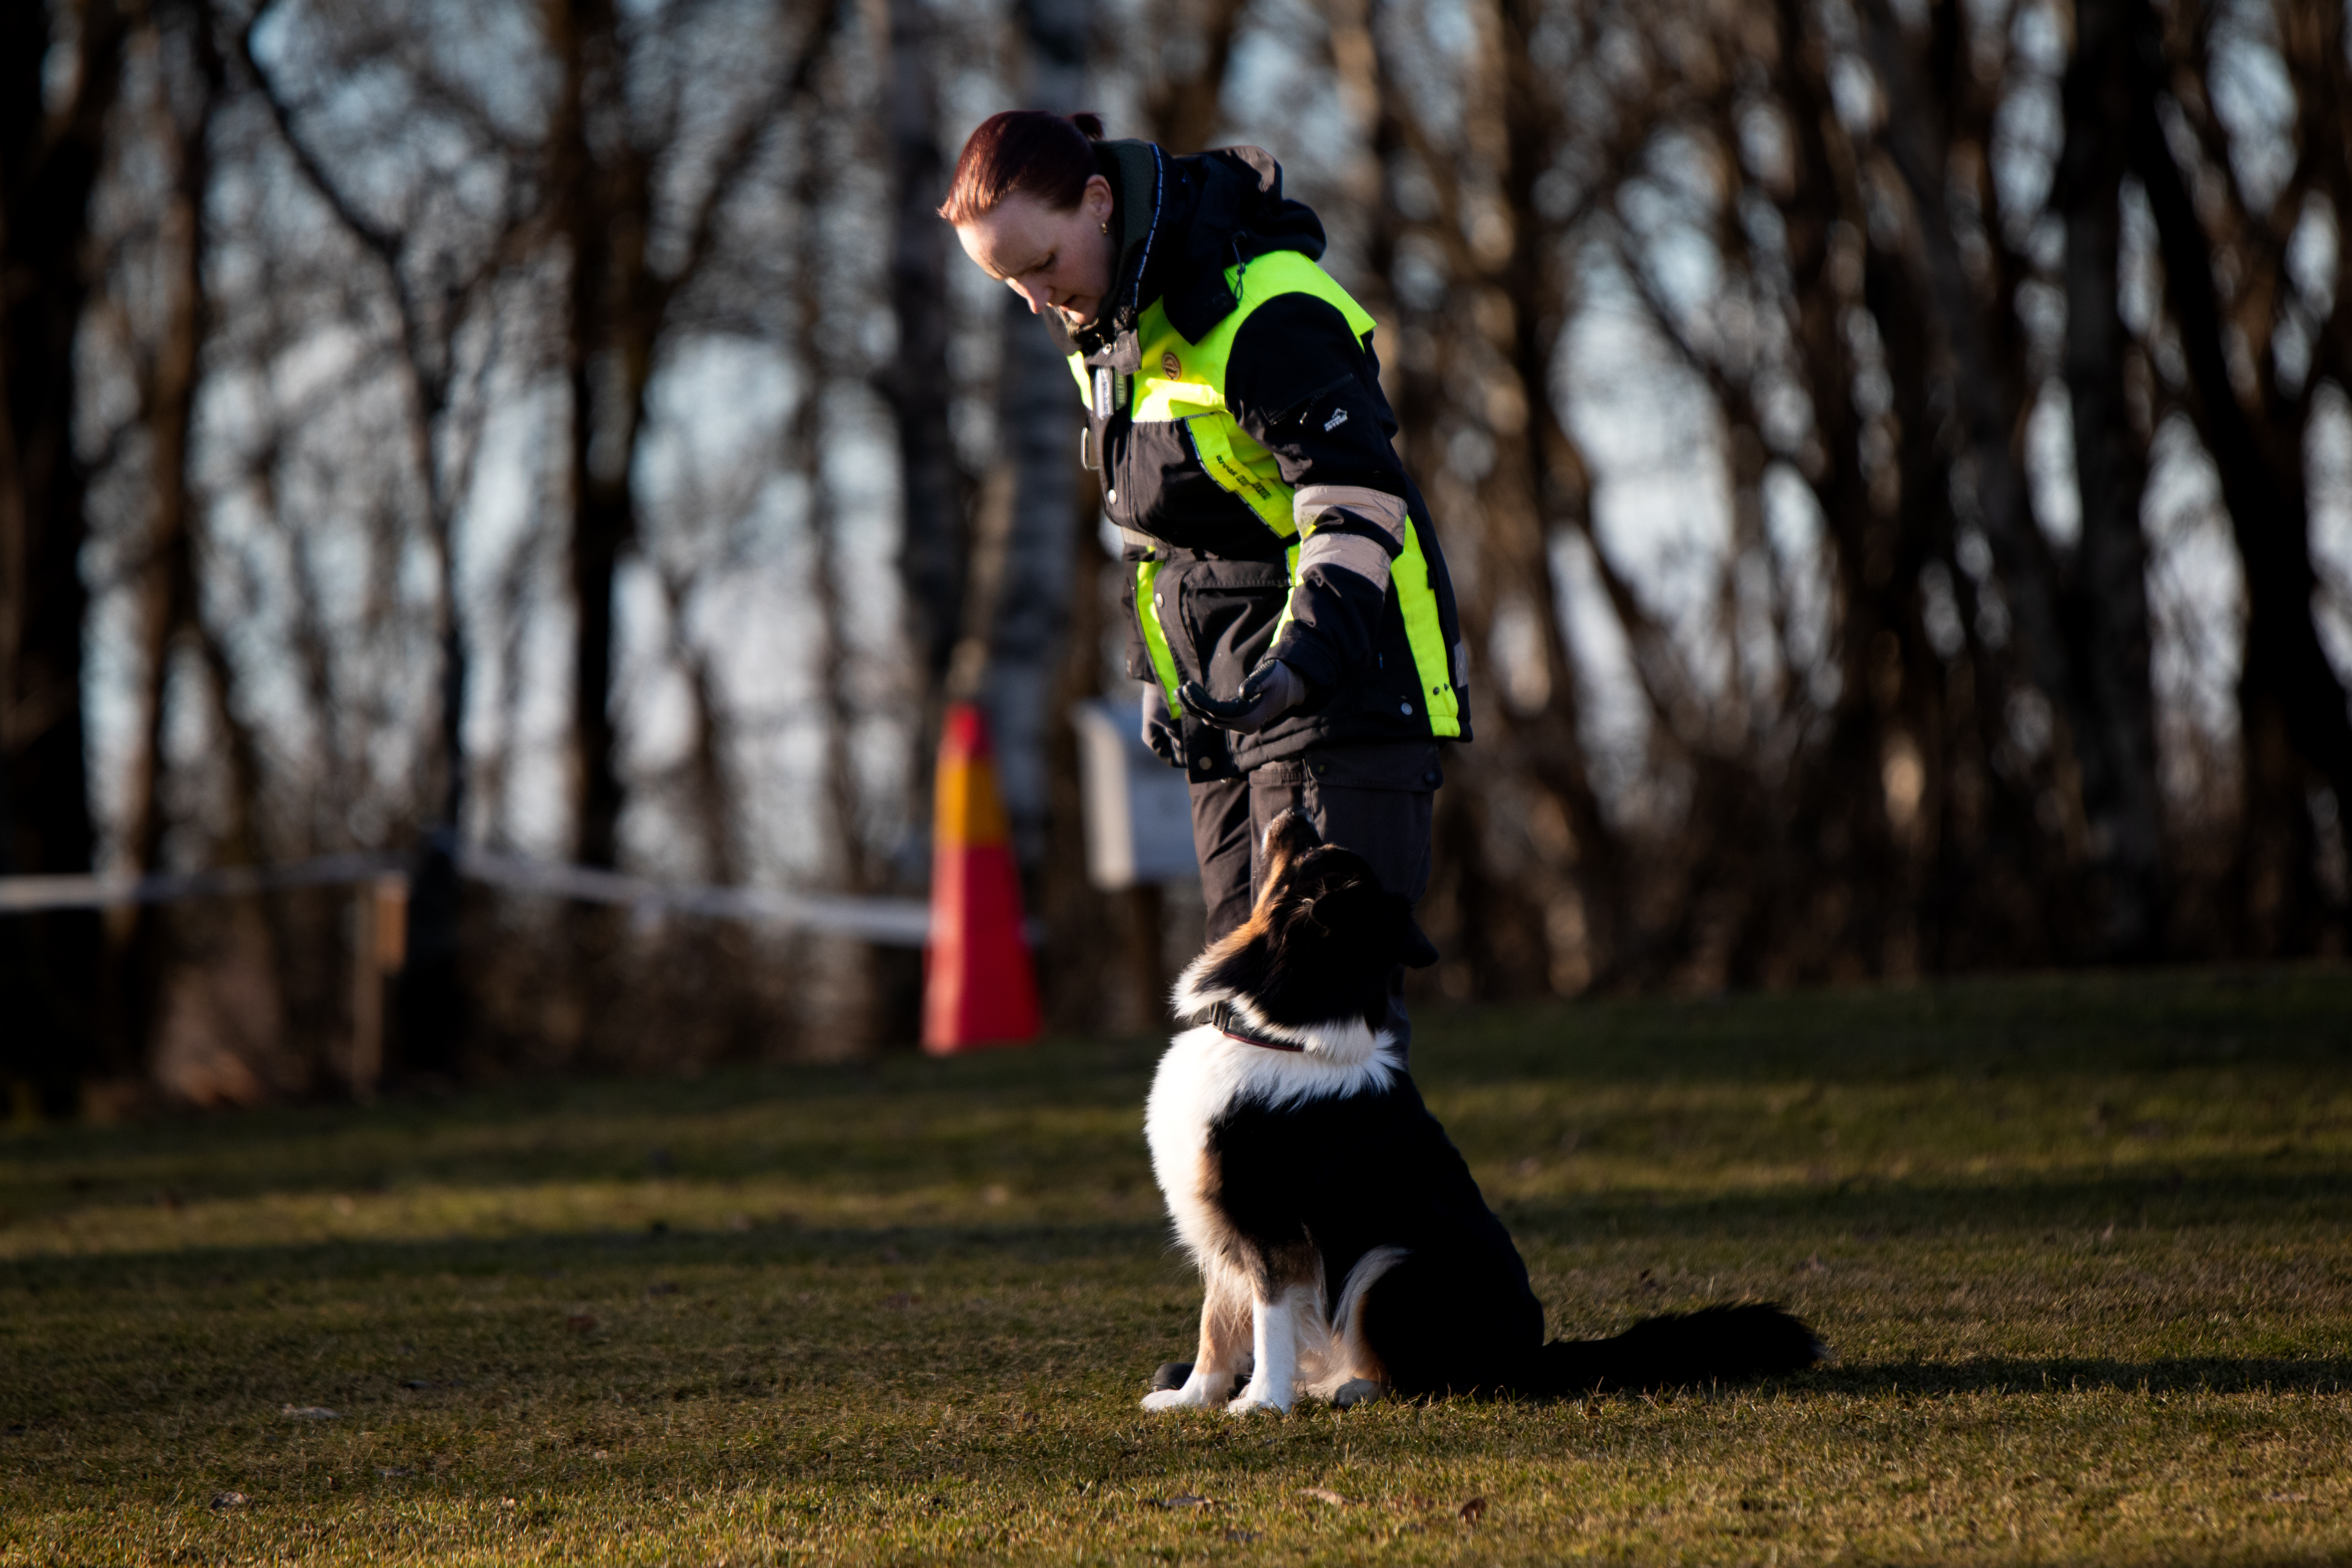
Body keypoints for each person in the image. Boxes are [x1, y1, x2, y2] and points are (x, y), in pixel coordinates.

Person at [941, 111, 1470, 1054]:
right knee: (1237, 1031)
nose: (1033, 299)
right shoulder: (1102, 328)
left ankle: (1378, 1210)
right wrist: (1157, 670)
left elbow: (1355, 499)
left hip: (1344, 690)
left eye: (1039, 263)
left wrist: (1305, 658)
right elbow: (1154, 535)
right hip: (1225, 707)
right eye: (1008, 281)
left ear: (1098, 203)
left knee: (1325, 1040)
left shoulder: (1268, 310)